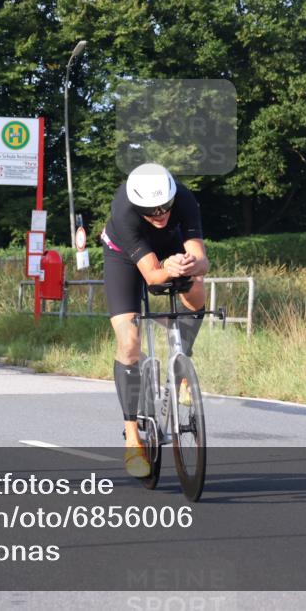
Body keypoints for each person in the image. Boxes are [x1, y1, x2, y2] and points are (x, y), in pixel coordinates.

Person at [101, 163, 209, 478]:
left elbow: (202, 260)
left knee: (197, 288)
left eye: (164, 208)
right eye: (150, 211)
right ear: (138, 207)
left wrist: (190, 264)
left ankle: (181, 365)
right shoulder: (124, 210)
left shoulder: (185, 200)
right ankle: (132, 436)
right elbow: (152, 277)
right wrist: (170, 268)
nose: (159, 214)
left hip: (170, 249)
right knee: (130, 341)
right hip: (125, 256)